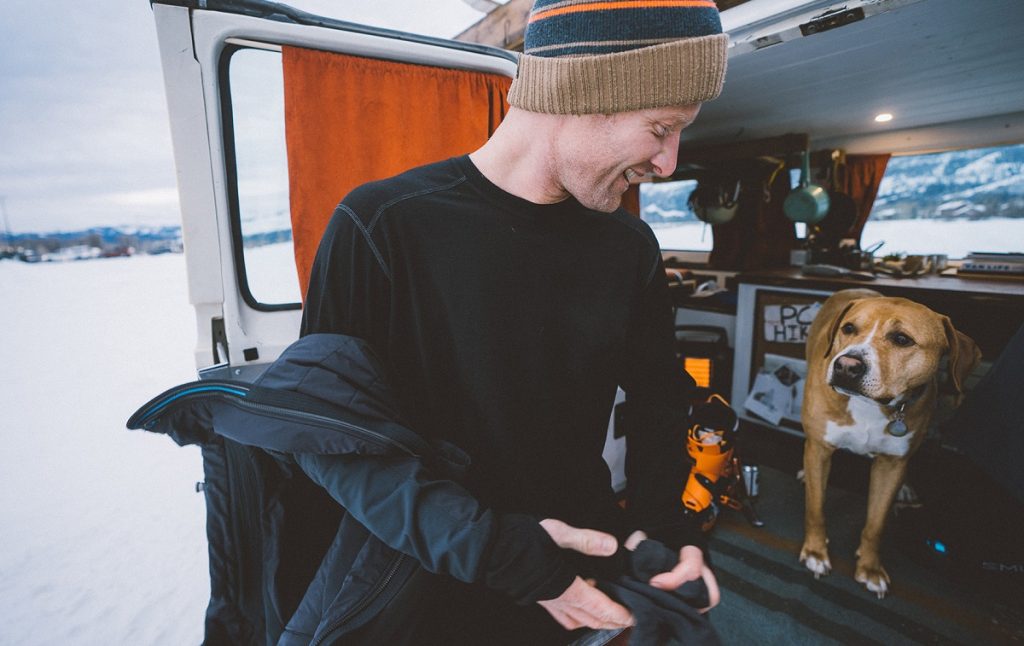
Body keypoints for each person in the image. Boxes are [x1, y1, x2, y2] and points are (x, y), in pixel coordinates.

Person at [300, 0, 730, 642]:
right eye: (661, 127)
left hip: (582, 556)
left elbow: (659, 402)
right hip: (427, 571)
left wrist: (662, 531)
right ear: (586, 93)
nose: (668, 163)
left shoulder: (629, 246)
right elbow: (331, 436)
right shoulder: (383, 224)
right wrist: (494, 547)